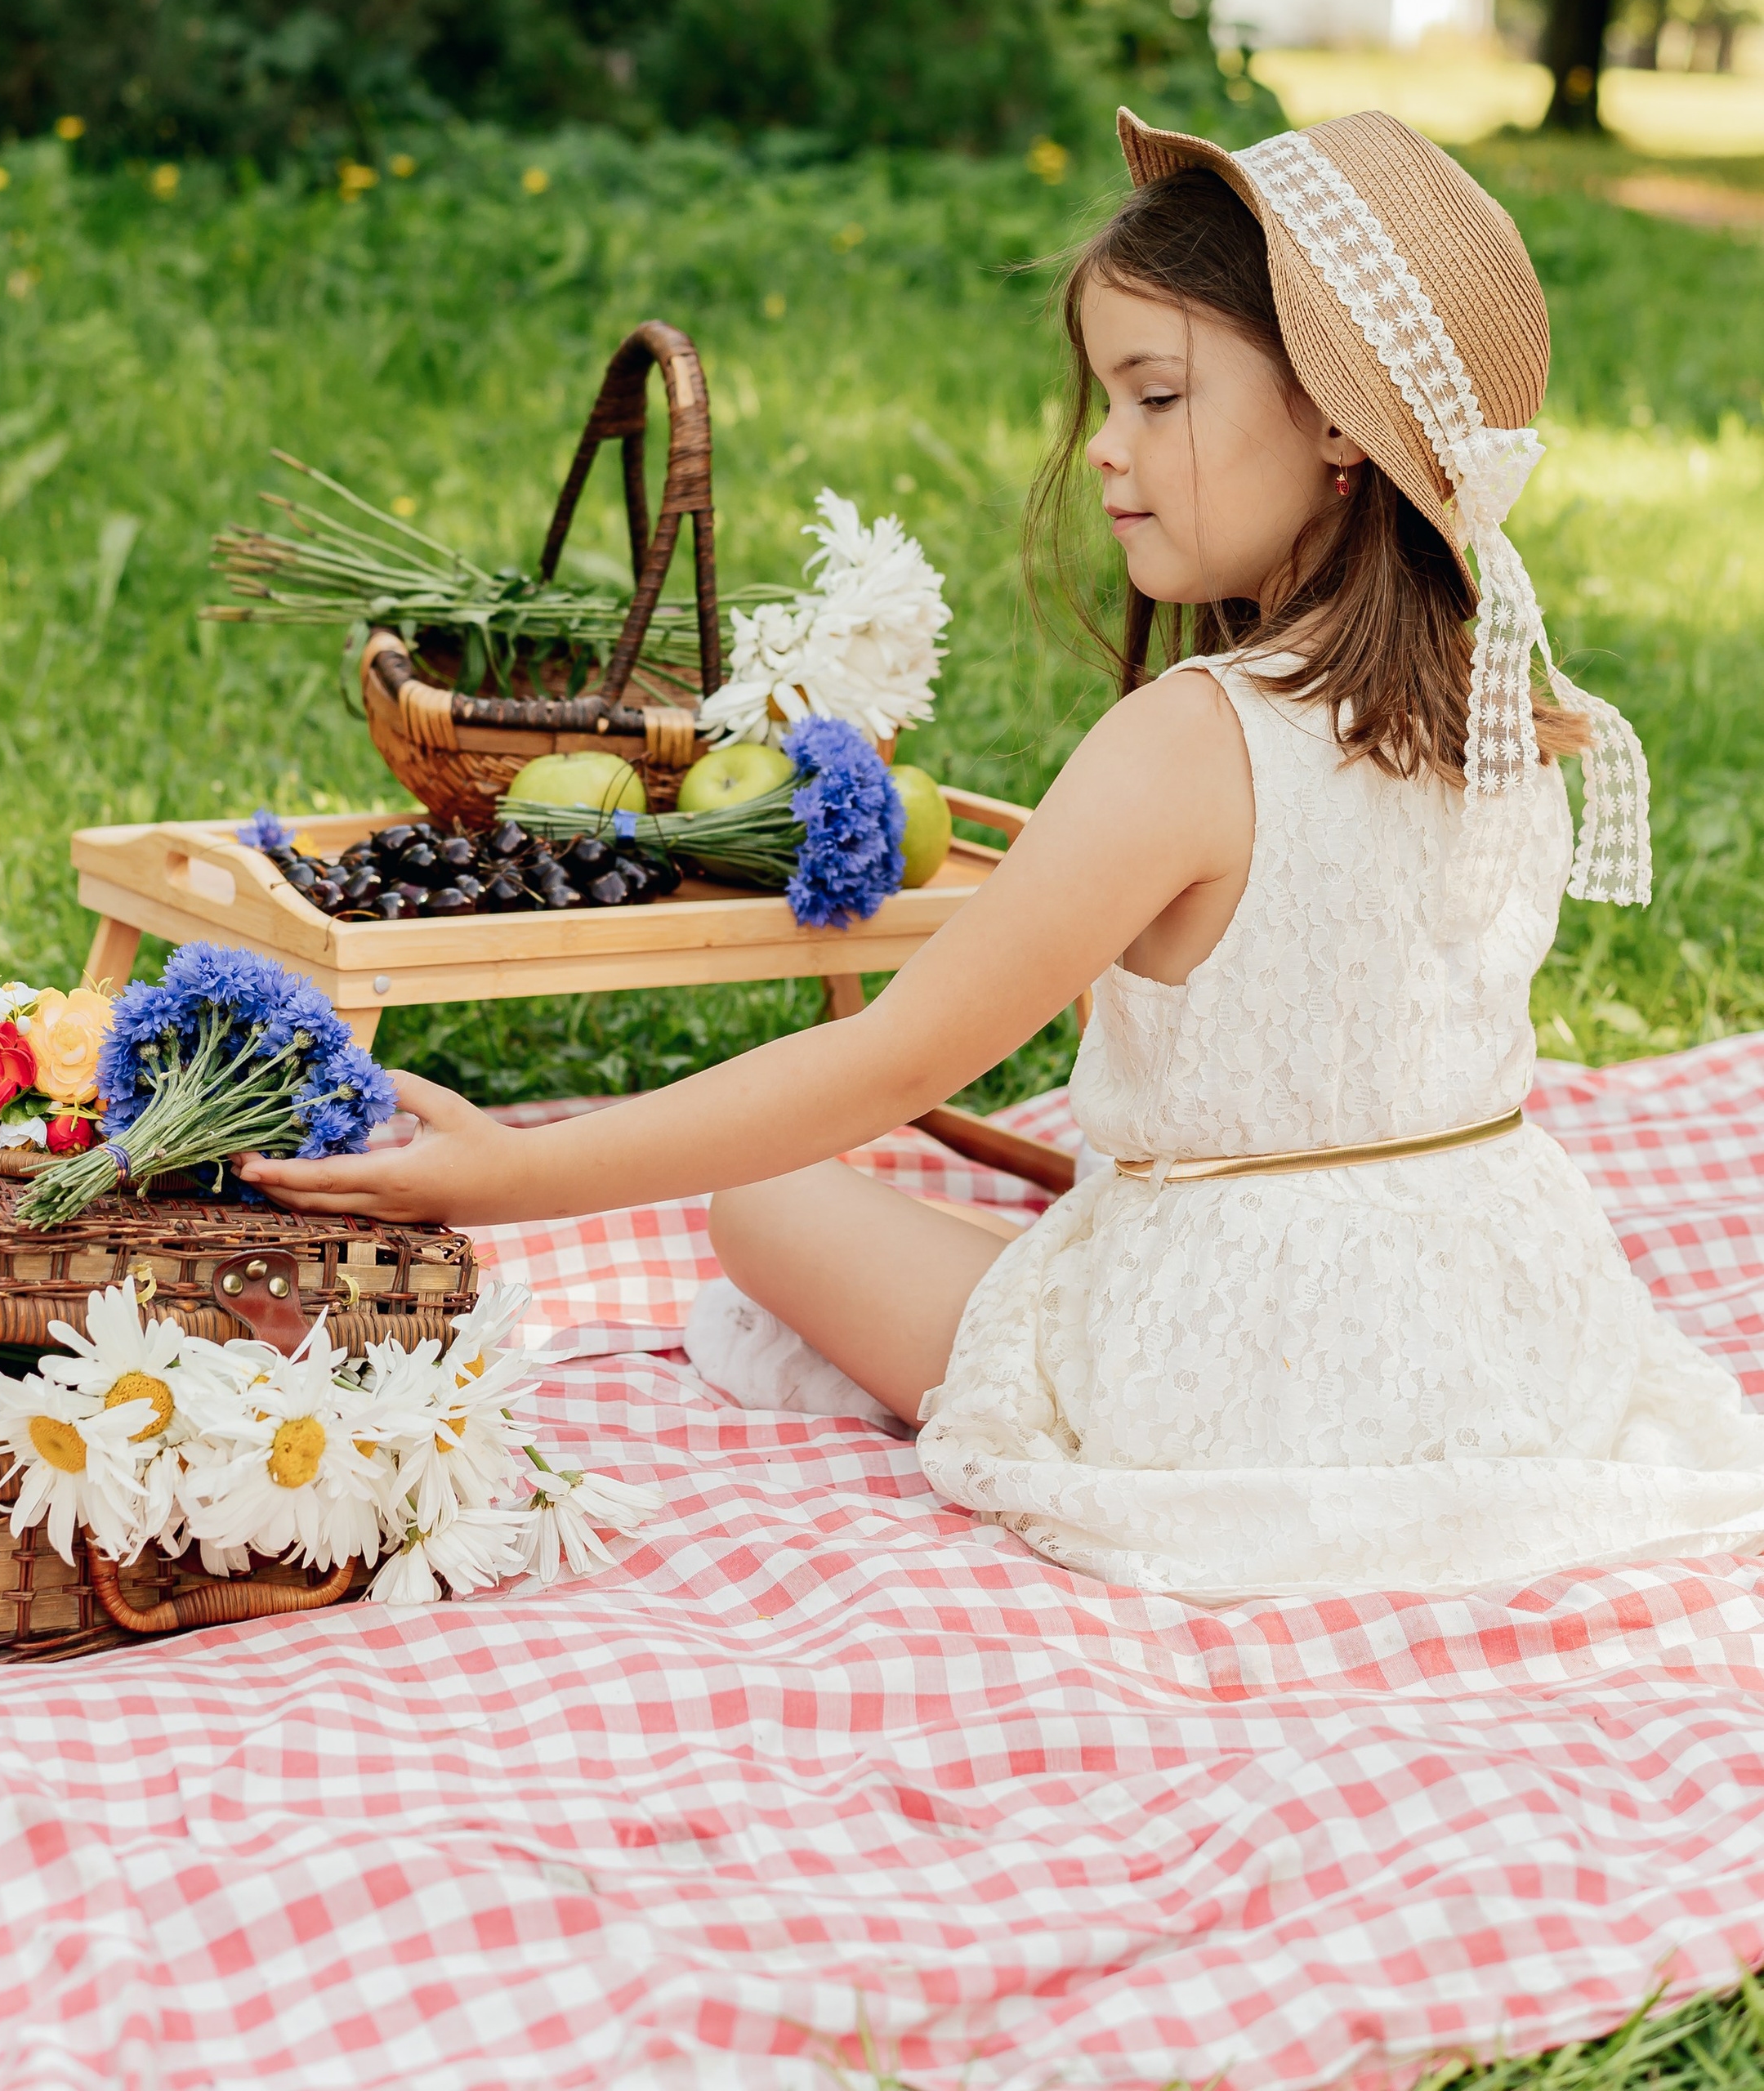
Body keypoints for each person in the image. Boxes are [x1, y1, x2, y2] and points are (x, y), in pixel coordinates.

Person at [244, 109, 1764, 1597]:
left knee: (769, 1203)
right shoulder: (1510, 711)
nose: (1104, 449)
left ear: (1339, 424)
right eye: (1106, 399)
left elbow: (890, 1062)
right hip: (1509, 1330)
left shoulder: (1196, 739)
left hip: (1244, 1377)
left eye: (1156, 396)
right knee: (1050, 1212)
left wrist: (520, 1169)